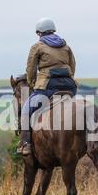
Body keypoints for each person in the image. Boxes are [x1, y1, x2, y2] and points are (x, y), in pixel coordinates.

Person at [17, 18, 78, 155]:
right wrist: (68, 79)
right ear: (53, 30)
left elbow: (31, 69)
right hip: (69, 86)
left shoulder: (37, 46)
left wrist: (33, 84)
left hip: (48, 86)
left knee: (26, 109)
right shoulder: (66, 46)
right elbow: (72, 65)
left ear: (39, 33)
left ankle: (26, 144)